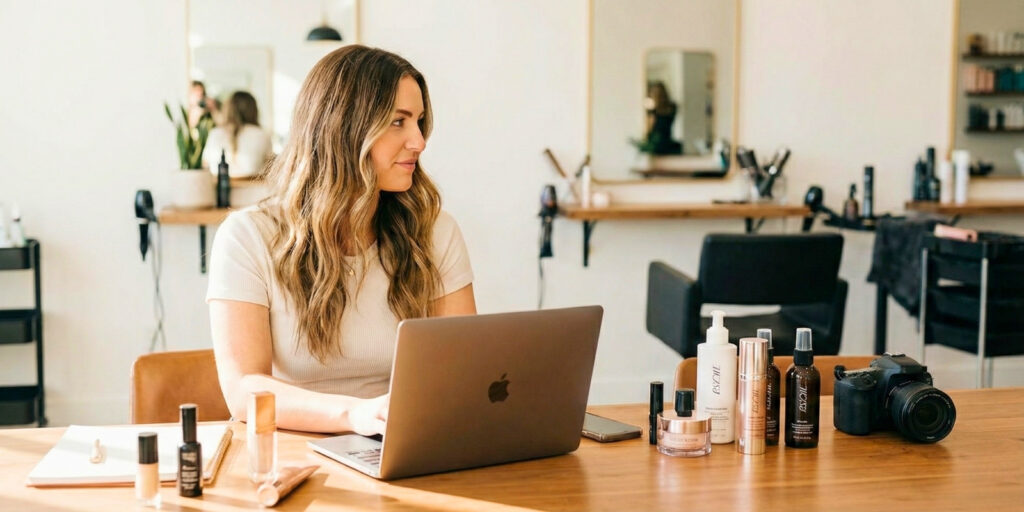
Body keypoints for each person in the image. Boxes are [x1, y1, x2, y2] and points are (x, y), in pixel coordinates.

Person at [206, 45, 476, 436]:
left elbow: (463, 367)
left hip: (406, 445)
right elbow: (244, 389)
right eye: (398, 122)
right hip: (294, 452)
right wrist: (356, 415)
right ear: (343, 128)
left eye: (419, 122)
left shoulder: (434, 231)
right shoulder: (249, 237)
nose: (419, 141)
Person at [202, 91, 273, 177]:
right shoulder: (262, 135)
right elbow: (270, 169)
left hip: (218, 188)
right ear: (254, 110)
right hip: (252, 189)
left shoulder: (215, 133)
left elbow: (205, 166)